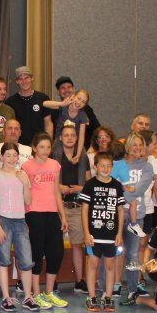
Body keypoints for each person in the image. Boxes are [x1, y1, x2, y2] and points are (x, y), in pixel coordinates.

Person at [0, 143, 35, 311]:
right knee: (4, 259)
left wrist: (25, 184)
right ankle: (6, 297)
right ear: (1, 157)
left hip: (20, 221)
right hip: (3, 220)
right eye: (8, 155)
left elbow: (28, 201)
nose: (12, 159)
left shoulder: (22, 174)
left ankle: (28, 297)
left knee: (26, 260)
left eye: (15, 155)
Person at [23, 133, 69, 310]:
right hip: (34, 212)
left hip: (52, 212)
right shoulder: (26, 166)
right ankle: (36, 293)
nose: (45, 150)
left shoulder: (55, 165)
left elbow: (56, 191)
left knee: (56, 253)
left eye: (48, 147)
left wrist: (62, 215)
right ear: (34, 148)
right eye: (41, 147)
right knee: (37, 253)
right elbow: (24, 192)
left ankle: (49, 292)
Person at [79, 151, 125, 313]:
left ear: (112, 167)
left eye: (108, 166)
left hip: (111, 235)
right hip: (94, 234)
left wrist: (119, 233)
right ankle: (92, 297)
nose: (105, 169)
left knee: (110, 265)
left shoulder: (117, 186)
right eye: (102, 166)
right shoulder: (89, 185)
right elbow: (84, 211)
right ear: (95, 167)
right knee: (93, 264)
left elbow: (120, 211)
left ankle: (108, 297)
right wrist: (86, 233)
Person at [113, 132, 153, 304]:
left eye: (140, 144)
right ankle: (111, 286)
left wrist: (122, 193)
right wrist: (123, 194)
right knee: (114, 251)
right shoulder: (117, 165)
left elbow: (139, 189)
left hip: (137, 216)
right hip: (116, 214)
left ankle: (132, 288)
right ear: (128, 147)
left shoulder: (147, 167)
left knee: (133, 253)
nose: (138, 148)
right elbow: (111, 187)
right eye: (134, 144)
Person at [54, 122, 91, 295]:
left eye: (73, 135)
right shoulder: (54, 156)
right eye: (66, 135)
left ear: (77, 138)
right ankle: (53, 281)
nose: (69, 138)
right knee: (55, 246)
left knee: (77, 245)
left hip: (77, 206)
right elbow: (48, 181)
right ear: (61, 138)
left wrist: (80, 188)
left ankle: (79, 281)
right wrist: (58, 187)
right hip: (57, 206)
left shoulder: (83, 156)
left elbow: (89, 183)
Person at [5, 66, 53, 144]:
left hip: (39, 145)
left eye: (26, 78)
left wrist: (49, 143)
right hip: (18, 145)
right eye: (20, 79)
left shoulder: (43, 98)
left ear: (32, 78)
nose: (24, 81)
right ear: (17, 81)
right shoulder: (10, 102)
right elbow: (8, 127)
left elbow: (48, 123)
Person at [50, 76, 100, 147]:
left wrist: (92, 148)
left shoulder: (85, 109)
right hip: (60, 150)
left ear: (73, 89)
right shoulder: (55, 110)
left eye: (69, 87)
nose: (66, 90)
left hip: (82, 149)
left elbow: (98, 129)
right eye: (63, 88)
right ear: (58, 92)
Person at [43, 88, 90, 161]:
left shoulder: (82, 115)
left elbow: (81, 136)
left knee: (83, 156)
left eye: (83, 102)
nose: (79, 102)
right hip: (59, 140)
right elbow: (44, 104)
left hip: (74, 142)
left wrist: (78, 155)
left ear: (85, 105)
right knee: (57, 153)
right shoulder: (64, 107)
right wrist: (61, 104)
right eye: (78, 98)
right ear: (73, 96)